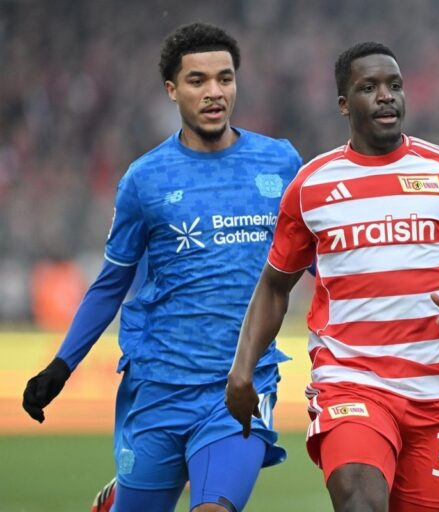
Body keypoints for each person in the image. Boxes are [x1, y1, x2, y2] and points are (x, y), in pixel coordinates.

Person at [21, 22, 302, 512]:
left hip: (241, 383)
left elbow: (315, 257)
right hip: (159, 386)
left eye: (225, 78)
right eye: (197, 80)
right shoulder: (144, 180)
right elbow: (111, 284)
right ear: (172, 90)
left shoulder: (279, 163)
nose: (214, 92)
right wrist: (61, 367)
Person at [226, 41, 439, 512]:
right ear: (343, 104)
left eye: (394, 85)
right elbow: (274, 287)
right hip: (350, 380)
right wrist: (241, 371)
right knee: (358, 500)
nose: (385, 96)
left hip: (434, 392)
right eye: (368, 87)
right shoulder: (311, 187)